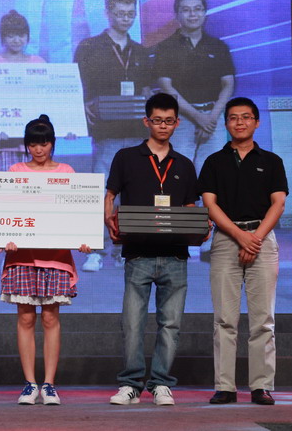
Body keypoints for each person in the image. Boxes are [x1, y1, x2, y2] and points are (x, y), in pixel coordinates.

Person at [105, 93, 199, 407]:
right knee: (132, 323)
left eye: (168, 121)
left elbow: (190, 206)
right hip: (138, 254)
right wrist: (108, 220)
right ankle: (130, 384)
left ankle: (160, 384)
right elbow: (110, 195)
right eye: (157, 120)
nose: (163, 126)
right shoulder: (126, 157)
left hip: (175, 255)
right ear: (147, 121)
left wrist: (199, 225)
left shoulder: (184, 164)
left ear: (177, 123)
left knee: (170, 324)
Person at [197, 97, 288, 406]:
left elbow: (278, 203)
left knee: (263, 320)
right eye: (234, 117)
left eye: (246, 117)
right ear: (226, 124)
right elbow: (209, 205)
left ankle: (261, 386)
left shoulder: (272, 161)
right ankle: (225, 386)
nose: (240, 122)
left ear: (256, 122)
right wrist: (239, 236)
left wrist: (255, 238)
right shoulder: (214, 161)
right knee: (225, 319)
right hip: (226, 239)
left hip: (263, 239)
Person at [2, 115, 91, 406]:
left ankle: (49, 384)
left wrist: (84, 237)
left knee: (51, 318)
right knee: (26, 318)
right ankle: (30, 384)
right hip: (23, 256)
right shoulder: (16, 170)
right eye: (33, 144)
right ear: (26, 146)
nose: (39, 149)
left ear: (52, 144)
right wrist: (6, 235)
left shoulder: (66, 171)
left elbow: (78, 211)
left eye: (44, 143)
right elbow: (5, 210)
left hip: (56, 258)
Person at [74, 0, 151, 272]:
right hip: (106, 132)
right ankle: (97, 249)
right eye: (120, 14)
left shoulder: (141, 51)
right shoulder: (89, 47)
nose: (125, 19)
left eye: (130, 14)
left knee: (133, 194)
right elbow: (77, 86)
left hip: (136, 132)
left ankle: (125, 248)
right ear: (108, 13)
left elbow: (146, 89)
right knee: (104, 193)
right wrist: (83, 107)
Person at [153, 0, 235, 171]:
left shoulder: (218, 46)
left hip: (213, 118)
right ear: (177, 15)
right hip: (180, 120)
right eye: (186, 10)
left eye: (198, 9)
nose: (193, 14)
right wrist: (198, 117)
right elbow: (166, 87)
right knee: (178, 174)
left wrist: (210, 119)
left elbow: (228, 84)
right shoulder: (166, 47)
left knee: (213, 175)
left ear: (204, 13)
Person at [0, 10, 45, 170]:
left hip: (33, 141)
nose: (17, 40)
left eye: (21, 35)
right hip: (1, 140)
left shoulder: (38, 62)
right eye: (11, 36)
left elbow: (45, 101)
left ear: (28, 37)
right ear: (3, 37)